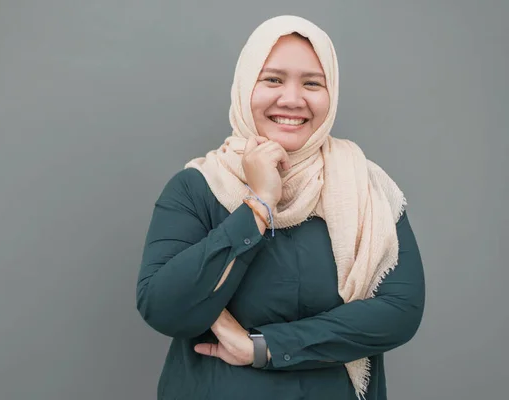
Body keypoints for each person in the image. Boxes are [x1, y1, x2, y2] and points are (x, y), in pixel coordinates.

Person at [136, 15, 425, 400]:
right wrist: (258, 205)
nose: (292, 99)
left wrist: (263, 346)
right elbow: (165, 310)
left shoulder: (367, 188)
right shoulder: (197, 187)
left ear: (331, 93)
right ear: (244, 86)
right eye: (273, 79)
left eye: (312, 83)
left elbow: (398, 312)